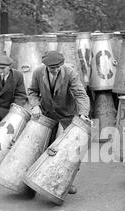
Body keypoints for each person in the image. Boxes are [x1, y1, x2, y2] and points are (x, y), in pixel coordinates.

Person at [28, 50, 91, 194]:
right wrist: (35, 105)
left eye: (58, 67)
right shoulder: (38, 72)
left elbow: (80, 94)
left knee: (71, 150)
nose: (55, 70)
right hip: (48, 113)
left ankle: (66, 182)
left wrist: (83, 114)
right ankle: (40, 179)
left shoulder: (70, 72)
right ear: (46, 66)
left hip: (67, 114)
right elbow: (32, 91)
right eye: (52, 68)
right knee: (45, 148)